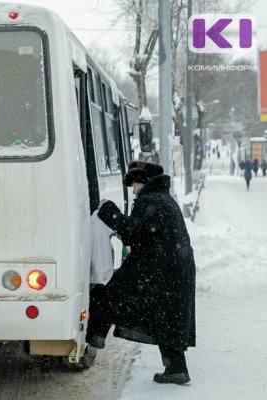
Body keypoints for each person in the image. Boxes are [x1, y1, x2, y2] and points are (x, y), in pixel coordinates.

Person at [86, 161, 196, 385]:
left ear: (144, 182)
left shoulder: (150, 200)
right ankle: (176, 369)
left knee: (109, 292)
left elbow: (131, 231)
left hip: (158, 269)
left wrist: (109, 209)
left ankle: (94, 335)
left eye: (135, 185)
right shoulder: (163, 198)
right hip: (174, 268)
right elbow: (143, 233)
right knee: (167, 319)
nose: (134, 191)